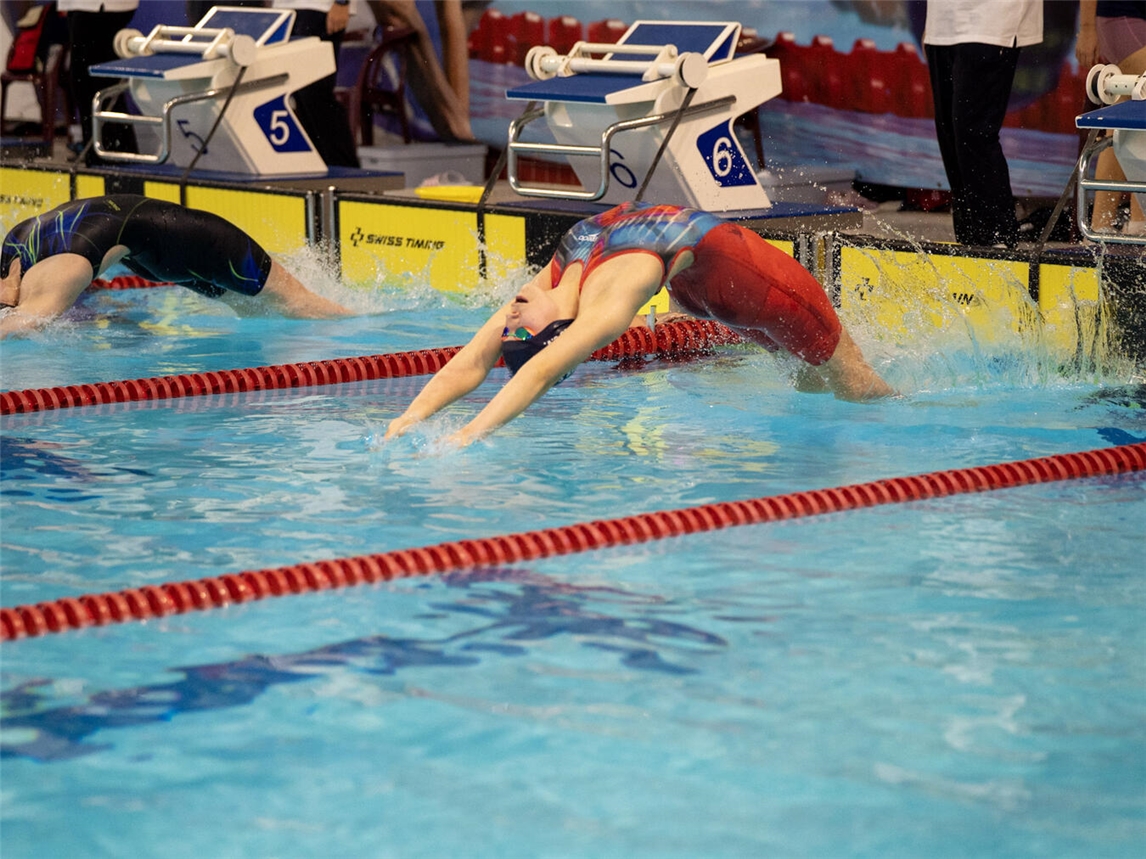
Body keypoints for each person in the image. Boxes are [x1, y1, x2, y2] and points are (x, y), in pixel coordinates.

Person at [385, 202, 894, 447]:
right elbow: (533, 372)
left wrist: (433, 424)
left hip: (740, 285)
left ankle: (870, 416)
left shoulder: (554, 284)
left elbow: (478, 360)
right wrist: (442, 429)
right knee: (840, 386)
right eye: (520, 332)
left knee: (839, 383)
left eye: (510, 327)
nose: (510, 319)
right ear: (560, 331)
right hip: (748, 289)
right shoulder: (605, 307)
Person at [0, 195, 351, 337]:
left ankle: (360, 322)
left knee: (298, 303)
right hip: (160, 251)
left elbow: (24, 325)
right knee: (263, 312)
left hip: (205, 242)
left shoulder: (63, 271)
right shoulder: (12, 246)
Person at [923, 0, 1043, 248]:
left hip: (994, 20)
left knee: (973, 132)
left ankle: (998, 239)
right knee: (950, 136)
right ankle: (971, 241)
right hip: (943, 20)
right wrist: (933, 25)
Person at [1075, 0, 1146, 235]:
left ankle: (1111, 225)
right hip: (1121, 14)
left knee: (1125, 123)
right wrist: (1086, 29)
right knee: (1134, 114)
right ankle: (1114, 224)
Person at [272, 0, 361, 167]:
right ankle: (322, 170)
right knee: (298, 93)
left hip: (320, 8)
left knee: (315, 92)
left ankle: (347, 171)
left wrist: (342, 3)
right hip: (286, 8)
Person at [59, 0, 139, 162]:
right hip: (88, 7)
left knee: (92, 85)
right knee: (91, 85)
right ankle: (109, 151)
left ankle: (108, 154)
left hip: (99, 7)